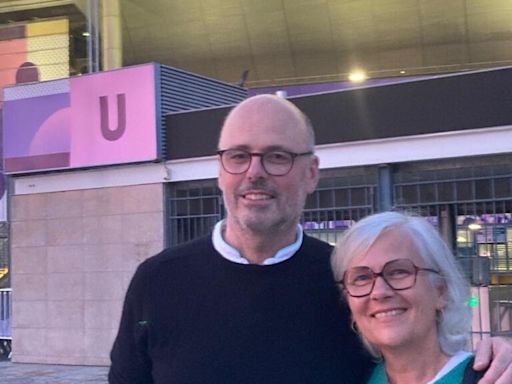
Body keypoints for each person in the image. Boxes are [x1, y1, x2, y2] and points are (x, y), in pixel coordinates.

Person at [109, 95, 512, 384]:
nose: (255, 172)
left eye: (277, 156)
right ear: (220, 169)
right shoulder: (158, 280)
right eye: (238, 156)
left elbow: (416, 358)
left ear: (312, 173)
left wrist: (496, 358)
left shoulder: (349, 284)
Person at [331, 211, 494, 383]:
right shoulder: (353, 378)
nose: (379, 292)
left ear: (441, 291)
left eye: (398, 272)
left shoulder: (495, 377)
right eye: (361, 278)